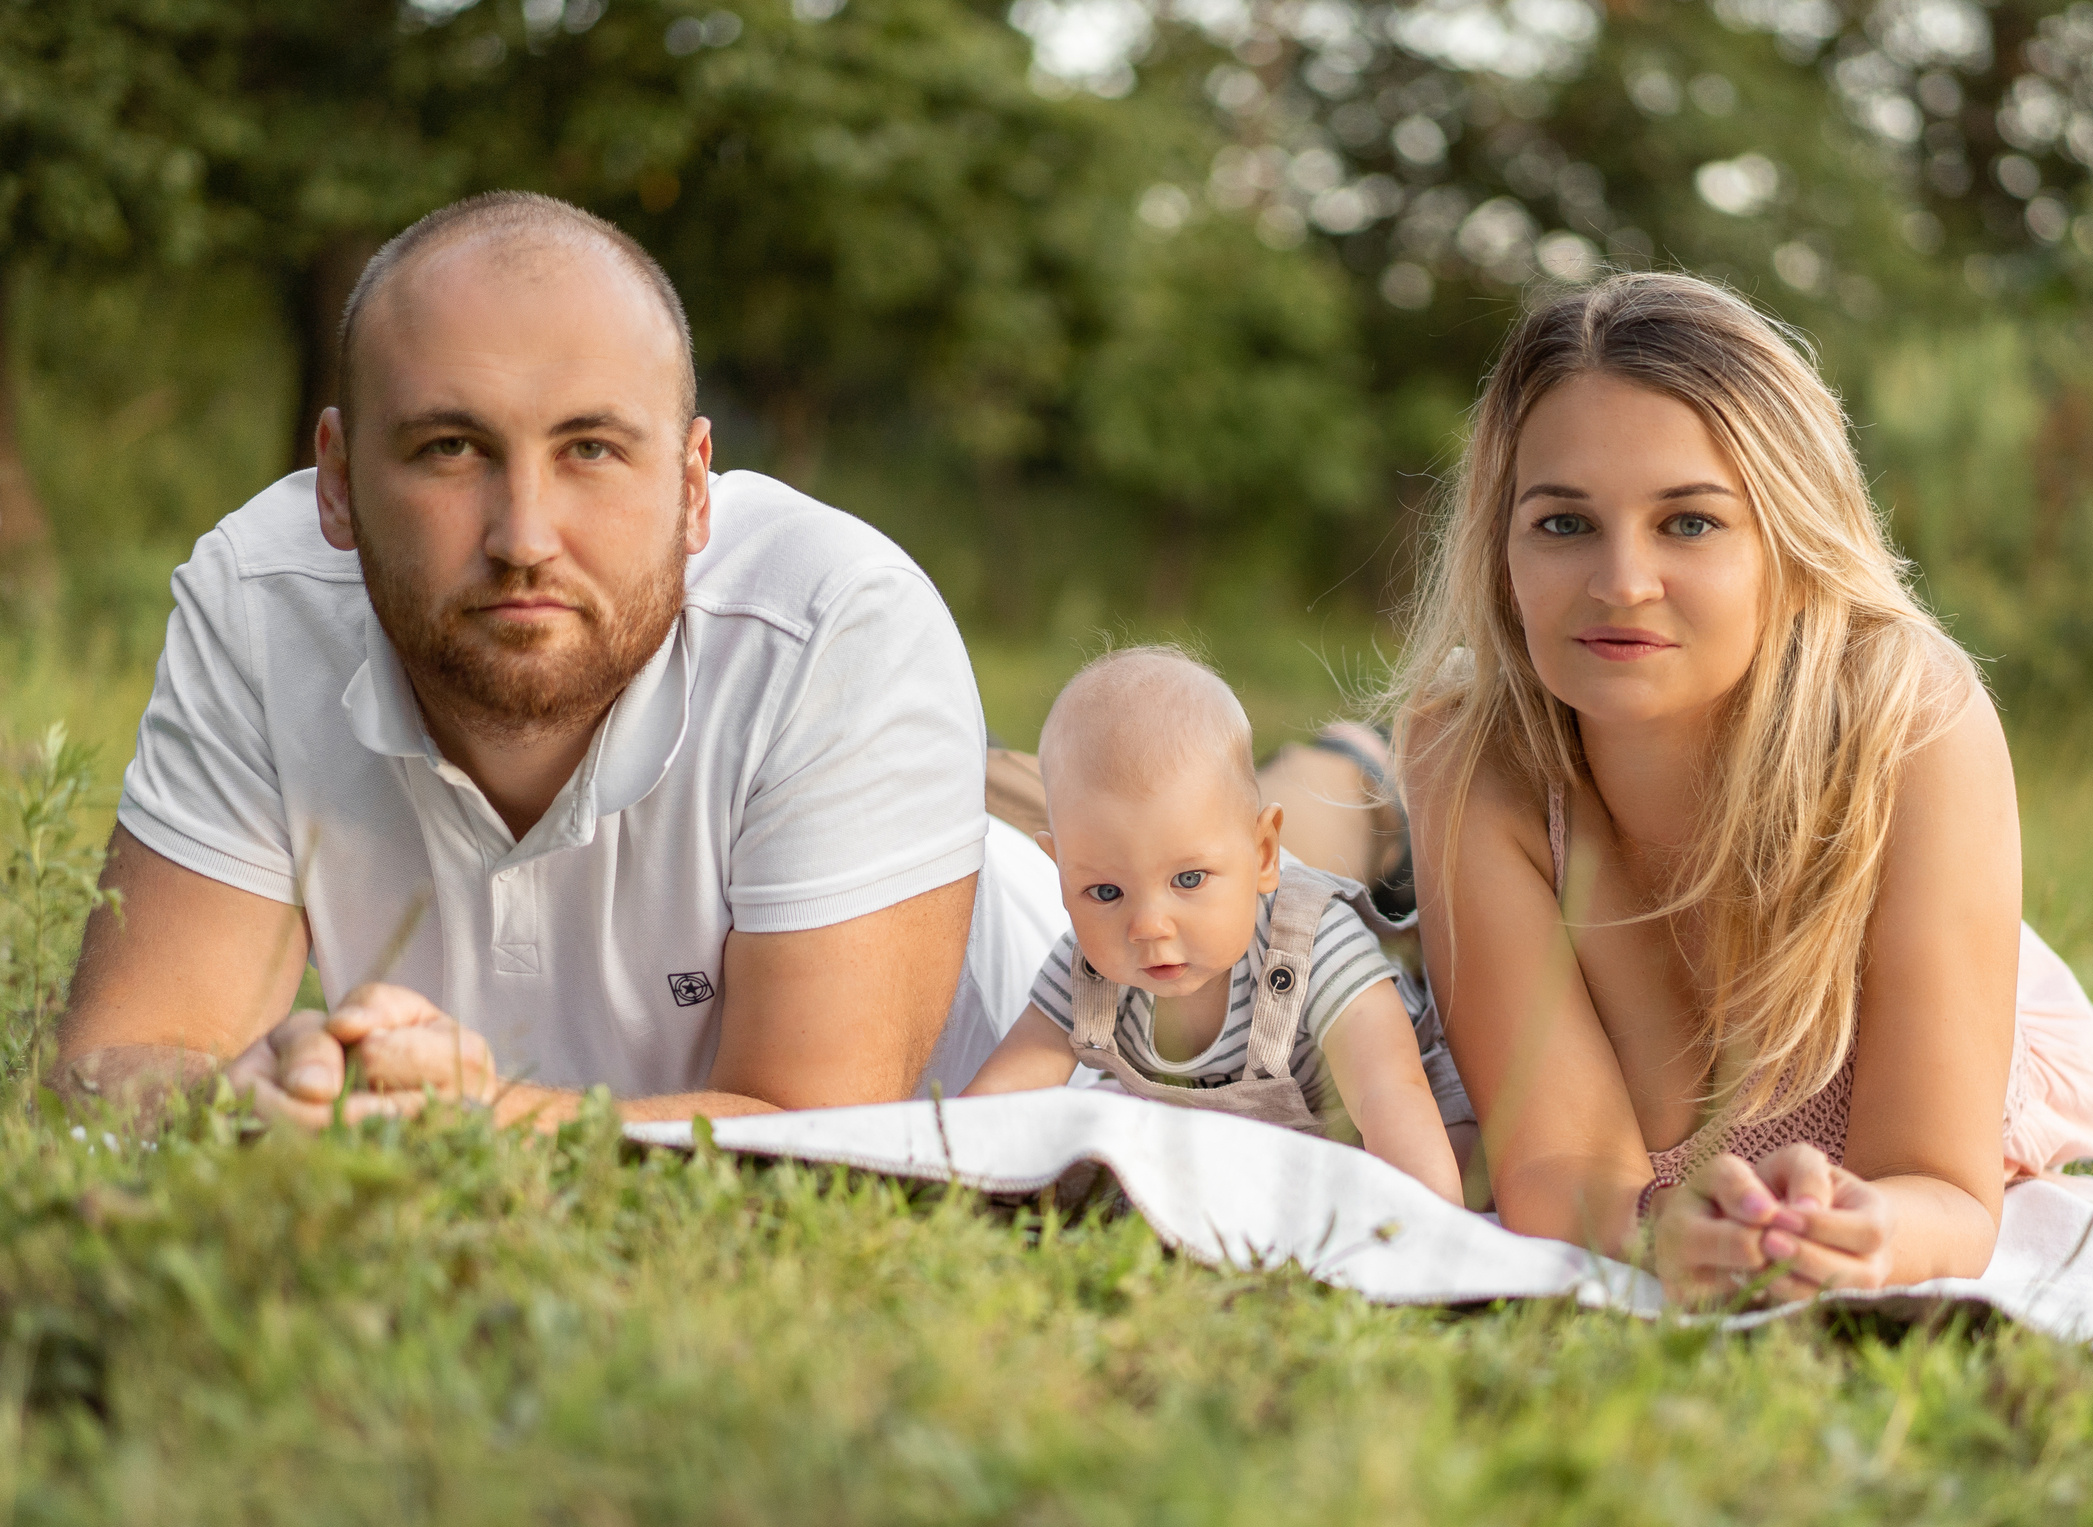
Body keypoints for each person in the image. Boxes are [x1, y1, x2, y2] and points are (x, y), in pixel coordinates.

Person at [50, 191, 1063, 1131]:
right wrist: (245, 1096)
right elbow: (121, 1057)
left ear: (693, 488)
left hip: (1076, 893)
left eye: (590, 449)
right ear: (339, 481)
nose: (524, 538)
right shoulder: (261, 600)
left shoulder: (838, 623)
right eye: (452, 448)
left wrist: (471, 1125)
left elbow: (812, 1139)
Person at [1391, 272, 2093, 1304]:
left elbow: (1941, 1188)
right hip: (1503, 814)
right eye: (1564, 524)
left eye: (1689, 523)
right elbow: (1560, 1166)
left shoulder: (1912, 723)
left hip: (1923, 944)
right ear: (1500, 542)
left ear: (1789, 535)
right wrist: (1660, 1233)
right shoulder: (1469, 751)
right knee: (1319, 846)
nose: (1621, 582)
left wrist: (1869, 1234)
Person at [964, 649, 1470, 1204]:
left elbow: (1389, 1091)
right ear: (1060, 875)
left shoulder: (1313, 941)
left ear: (1264, 852)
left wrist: (1426, 1218)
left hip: (1394, 1127)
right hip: (1245, 1159)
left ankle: (1374, 779)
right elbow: (1002, 1098)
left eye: (1188, 879)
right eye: (1106, 892)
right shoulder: (1086, 972)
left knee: (1469, 1162)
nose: (1149, 926)